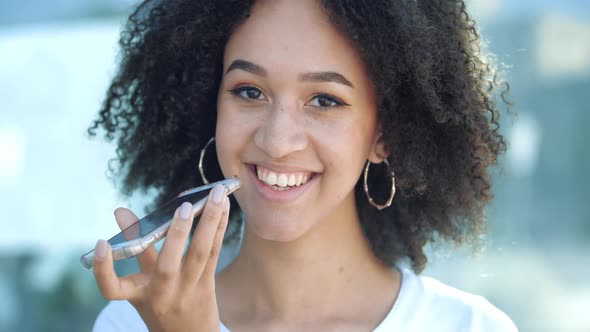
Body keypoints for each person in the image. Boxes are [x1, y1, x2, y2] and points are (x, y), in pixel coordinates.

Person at [88, 0, 518, 331]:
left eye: (325, 100)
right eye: (249, 91)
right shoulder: (132, 323)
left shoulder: (469, 327)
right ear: (208, 105)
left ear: (384, 134)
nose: (276, 141)